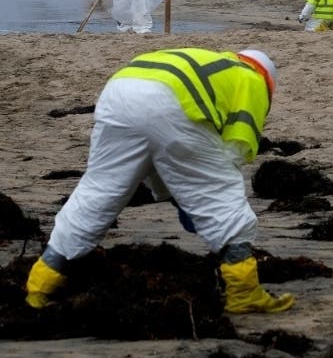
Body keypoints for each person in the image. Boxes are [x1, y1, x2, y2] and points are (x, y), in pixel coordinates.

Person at [24, 47, 295, 315]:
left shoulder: (213, 63)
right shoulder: (252, 79)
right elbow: (234, 151)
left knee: (97, 193)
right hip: (168, 101)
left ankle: (40, 285)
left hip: (118, 91)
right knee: (222, 195)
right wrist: (206, 203)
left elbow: (164, 160)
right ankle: (244, 293)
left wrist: (182, 196)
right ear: (268, 80)